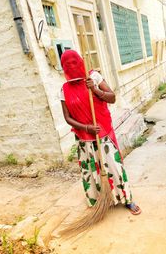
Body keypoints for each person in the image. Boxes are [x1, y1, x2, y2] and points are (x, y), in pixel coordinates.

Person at [60, 50, 141, 215]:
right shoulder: (64, 89)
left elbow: (112, 97)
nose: (72, 66)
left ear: (81, 61)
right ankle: (101, 200)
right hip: (84, 137)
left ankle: (126, 198)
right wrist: (87, 128)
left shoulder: (94, 77)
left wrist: (95, 90)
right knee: (91, 171)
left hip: (102, 132)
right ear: (63, 68)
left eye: (75, 62)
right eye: (67, 64)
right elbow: (67, 118)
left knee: (114, 166)